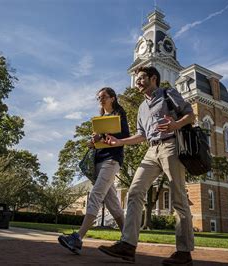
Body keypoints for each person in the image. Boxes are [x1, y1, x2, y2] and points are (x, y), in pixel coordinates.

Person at [98, 66, 195, 265]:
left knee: (178, 198)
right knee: (134, 192)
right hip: (151, 150)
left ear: (153, 79)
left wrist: (176, 124)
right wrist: (119, 142)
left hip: (171, 145)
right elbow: (141, 135)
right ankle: (128, 246)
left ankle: (184, 253)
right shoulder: (142, 107)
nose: (138, 82)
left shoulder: (168, 93)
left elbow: (190, 115)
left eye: (142, 78)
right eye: (137, 78)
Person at [58, 87, 129, 255]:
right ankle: (128, 240)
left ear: (112, 98)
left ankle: (78, 238)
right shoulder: (100, 118)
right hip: (98, 160)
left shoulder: (119, 115)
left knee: (95, 195)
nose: (100, 100)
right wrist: (93, 142)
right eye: (99, 98)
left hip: (111, 160)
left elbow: (125, 135)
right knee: (113, 204)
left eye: (104, 97)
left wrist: (102, 135)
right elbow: (98, 140)